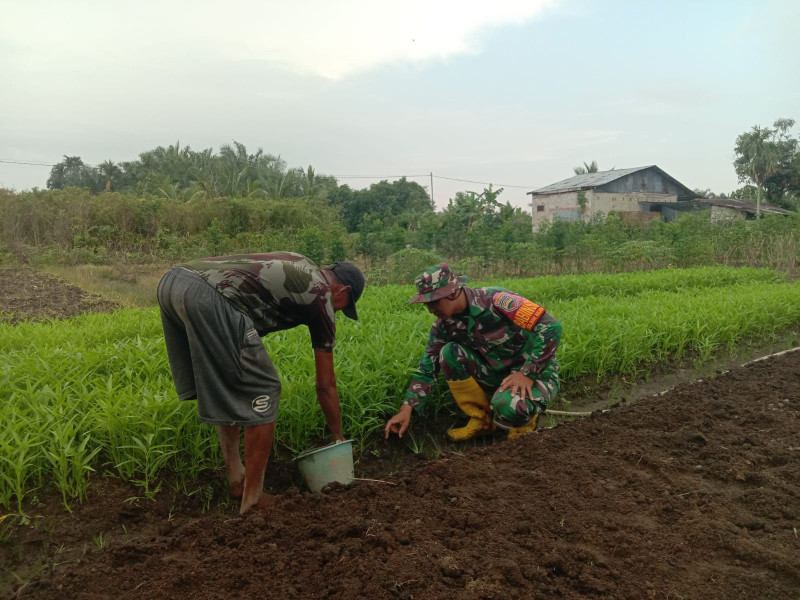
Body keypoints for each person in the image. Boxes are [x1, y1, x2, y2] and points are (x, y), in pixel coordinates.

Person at [157, 252, 364, 514]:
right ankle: (252, 499)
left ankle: (236, 479)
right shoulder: (321, 295)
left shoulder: (302, 263)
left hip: (174, 283)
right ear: (343, 290)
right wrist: (338, 437)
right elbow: (325, 384)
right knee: (265, 388)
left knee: (230, 383)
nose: (340, 311)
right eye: (346, 305)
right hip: (209, 296)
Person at [385, 263, 561, 442]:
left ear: (453, 292)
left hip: (535, 375)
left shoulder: (497, 300)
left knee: (510, 406)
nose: (430, 309)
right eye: (426, 304)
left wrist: (527, 373)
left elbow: (550, 326)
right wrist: (407, 408)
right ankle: (482, 421)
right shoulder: (443, 326)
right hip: (499, 375)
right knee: (448, 352)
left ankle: (524, 425)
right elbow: (427, 368)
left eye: (434, 301)